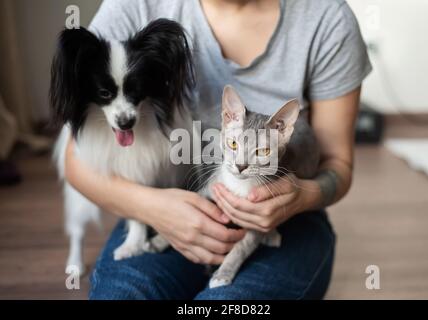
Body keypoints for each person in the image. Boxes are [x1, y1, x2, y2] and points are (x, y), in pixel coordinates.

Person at [64, 0, 372, 299]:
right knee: (124, 294)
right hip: (166, 201)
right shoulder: (136, 6)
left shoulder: (327, 18)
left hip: (289, 215)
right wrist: (154, 209)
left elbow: (337, 162)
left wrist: (301, 196)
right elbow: (75, 163)